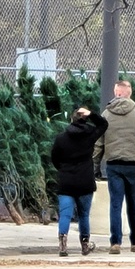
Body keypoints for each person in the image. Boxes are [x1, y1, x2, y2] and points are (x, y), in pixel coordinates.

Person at [93, 80, 135, 255]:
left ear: (116, 92)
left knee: (115, 204)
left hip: (113, 165)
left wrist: (95, 165)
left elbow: (99, 143)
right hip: (134, 165)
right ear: (130, 93)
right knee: (133, 204)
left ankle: (115, 242)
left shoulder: (106, 115)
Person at [51, 107, 109, 256]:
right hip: (85, 180)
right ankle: (84, 244)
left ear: (71, 119)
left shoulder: (61, 138)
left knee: (65, 214)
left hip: (66, 181)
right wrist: (92, 114)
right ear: (85, 119)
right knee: (84, 215)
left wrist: (63, 169)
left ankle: (63, 245)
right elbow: (103, 125)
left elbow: (54, 159)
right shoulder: (89, 135)